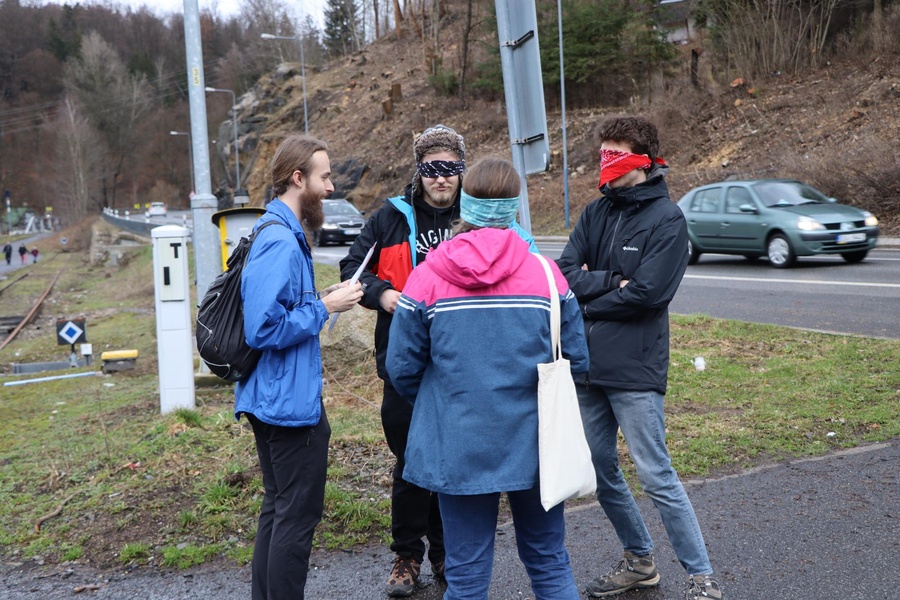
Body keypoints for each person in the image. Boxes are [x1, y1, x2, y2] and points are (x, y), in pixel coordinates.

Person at [340, 125, 537, 597]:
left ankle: (447, 552)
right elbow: (352, 270)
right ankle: (407, 555)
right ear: (419, 170)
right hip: (405, 365)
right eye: (432, 169)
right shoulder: (391, 217)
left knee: (454, 464)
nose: (441, 179)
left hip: (463, 369)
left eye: (451, 169)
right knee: (413, 461)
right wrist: (383, 294)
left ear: (463, 173)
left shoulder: (481, 218)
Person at [386, 157, 590, 600]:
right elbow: (577, 358)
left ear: (467, 205)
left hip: (457, 441)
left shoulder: (426, 278)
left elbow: (401, 367)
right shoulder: (545, 274)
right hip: (537, 442)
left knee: (466, 574)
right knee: (549, 563)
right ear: (515, 208)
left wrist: (444, 397)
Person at [556, 116, 724, 600]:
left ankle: (701, 577)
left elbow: (649, 295)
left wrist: (590, 293)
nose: (606, 164)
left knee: (656, 474)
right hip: (587, 364)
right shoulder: (594, 212)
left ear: (644, 161)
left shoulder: (668, 220)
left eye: (616, 155)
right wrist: (610, 283)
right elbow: (565, 275)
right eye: (602, 154)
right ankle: (639, 562)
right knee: (599, 469)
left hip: (635, 369)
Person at [235, 134, 363, 600]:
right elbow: (263, 328)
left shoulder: (281, 232)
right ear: (298, 178)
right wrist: (326, 305)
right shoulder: (280, 241)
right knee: (295, 516)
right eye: (324, 177)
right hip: (286, 403)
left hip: (275, 394)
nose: (330, 188)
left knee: (280, 507)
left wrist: (319, 302)